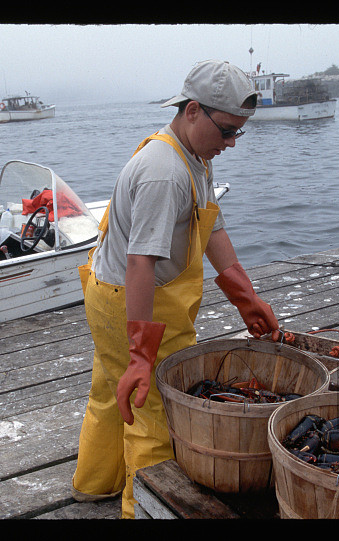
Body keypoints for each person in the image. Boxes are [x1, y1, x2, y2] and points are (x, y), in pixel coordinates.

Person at [72, 60, 280, 518]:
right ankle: (140, 510)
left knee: (113, 393)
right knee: (155, 416)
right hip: (133, 302)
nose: (229, 144)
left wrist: (247, 300)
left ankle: (93, 484)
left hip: (114, 297)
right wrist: (142, 355)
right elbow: (141, 262)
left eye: (237, 134)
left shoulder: (195, 158)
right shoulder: (164, 171)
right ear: (191, 111)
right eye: (225, 131)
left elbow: (214, 229)